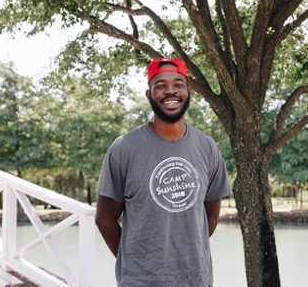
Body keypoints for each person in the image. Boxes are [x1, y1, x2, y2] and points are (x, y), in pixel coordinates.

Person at [95, 57, 231, 287]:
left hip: (196, 280)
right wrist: (137, 265)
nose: (170, 91)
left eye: (178, 84)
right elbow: (104, 218)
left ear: (189, 90)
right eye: (160, 86)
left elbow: (211, 215)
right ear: (149, 94)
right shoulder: (124, 148)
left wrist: (183, 257)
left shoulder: (207, 147)